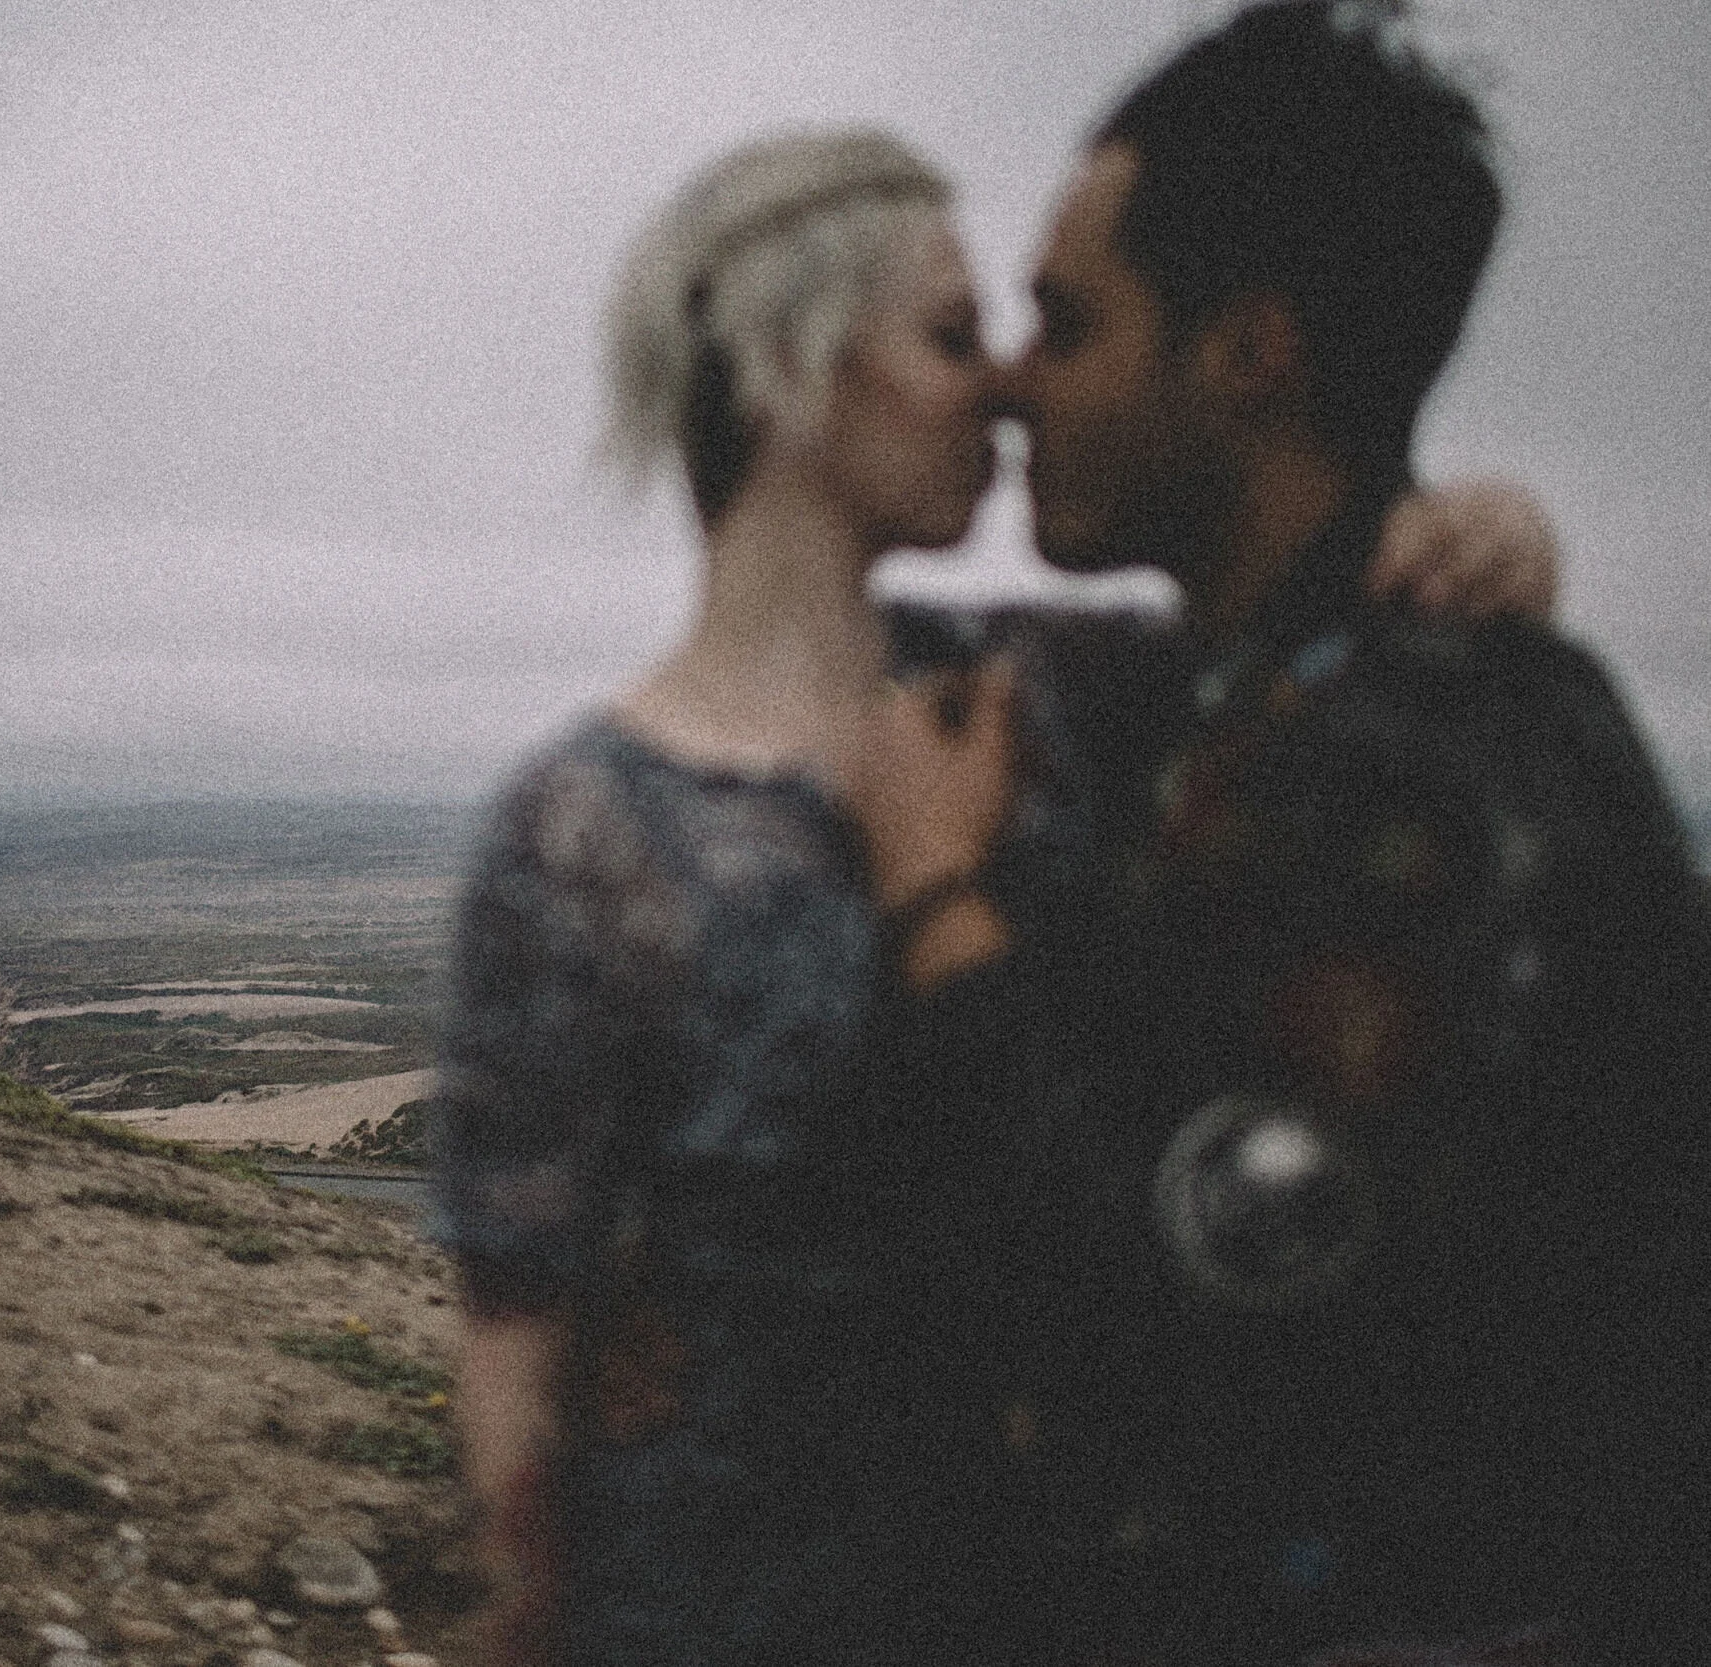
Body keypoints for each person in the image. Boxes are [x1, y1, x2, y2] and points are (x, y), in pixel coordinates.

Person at [432, 123, 1567, 1667]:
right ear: (790, 363)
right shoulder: (574, 836)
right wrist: (527, 1609)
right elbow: (519, 1324)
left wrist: (1479, 526)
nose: (1006, 383)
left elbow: (1317, 619)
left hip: (1029, 1595)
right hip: (702, 1610)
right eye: (954, 335)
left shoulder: (1059, 690)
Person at [855, 3, 1711, 1659]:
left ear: (1247, 353)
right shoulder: (1258, 685)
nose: (1016, 380)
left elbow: (1194, 1300)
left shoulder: (1425, 764)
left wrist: (936, 913)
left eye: (1067, 318)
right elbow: (862, 638)